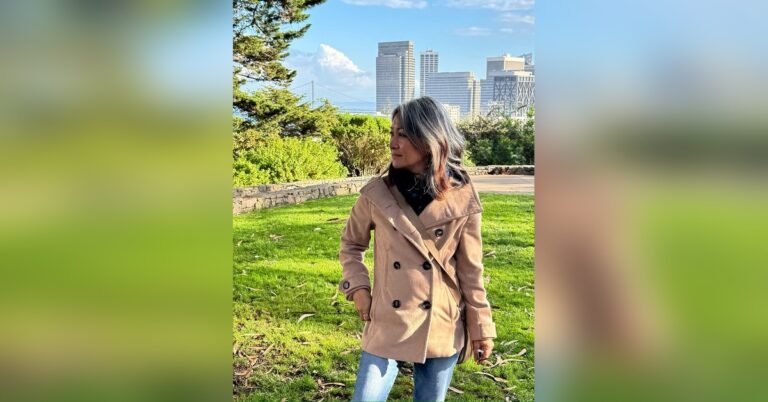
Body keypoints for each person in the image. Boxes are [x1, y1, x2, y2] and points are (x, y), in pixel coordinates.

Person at [338, 97, 497, 402]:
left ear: (429, 140)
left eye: (403, 134)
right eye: (391, 133)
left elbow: (470, 270)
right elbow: (351, 244)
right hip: (387, 318)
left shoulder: (461, 197)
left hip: (440, 319)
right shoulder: (377, 194)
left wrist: (481, 326)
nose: (392, 143)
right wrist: (359, 288)